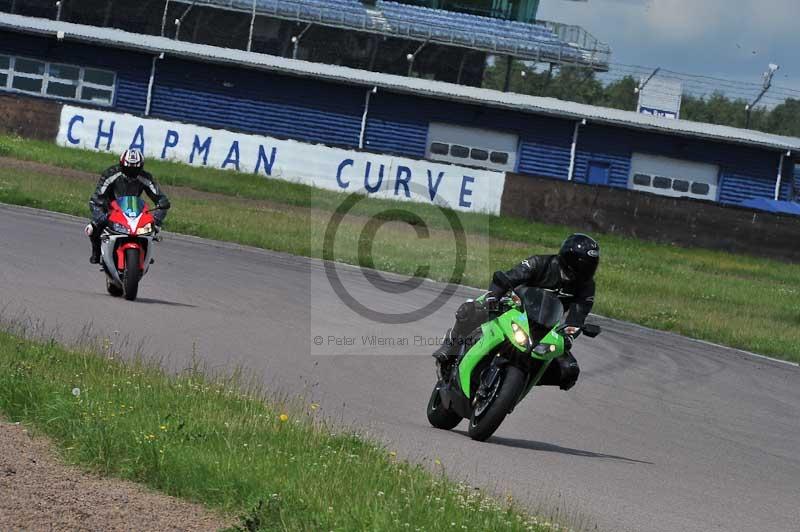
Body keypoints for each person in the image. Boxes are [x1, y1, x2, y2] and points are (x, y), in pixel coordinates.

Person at [432, 233, 599, 391]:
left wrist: (569, 335)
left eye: (590, 266)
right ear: (569, 258)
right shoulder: (539, 262)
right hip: (514, 306)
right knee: (470, 310)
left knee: (569, 371)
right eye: (583, 265)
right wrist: (494, 296)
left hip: (545, 326)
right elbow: (510, 277)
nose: (586, 270)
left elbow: (578, 316)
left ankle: (519, 382)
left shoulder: (587, 286)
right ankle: (450, 346)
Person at [86, 149, 170, 264]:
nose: (131, 173)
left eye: (135, 170)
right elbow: (96, 198)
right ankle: (97, 253)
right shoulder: (110, 174)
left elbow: (161, 199)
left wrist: (156, 221)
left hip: (135, 212)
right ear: (122, 165)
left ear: (141, 168)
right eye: (128, 169)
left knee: (150, 230)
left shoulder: (145, 177)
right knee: (92, 228)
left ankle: (144, 255)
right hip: (111, 211)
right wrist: (100, 215)